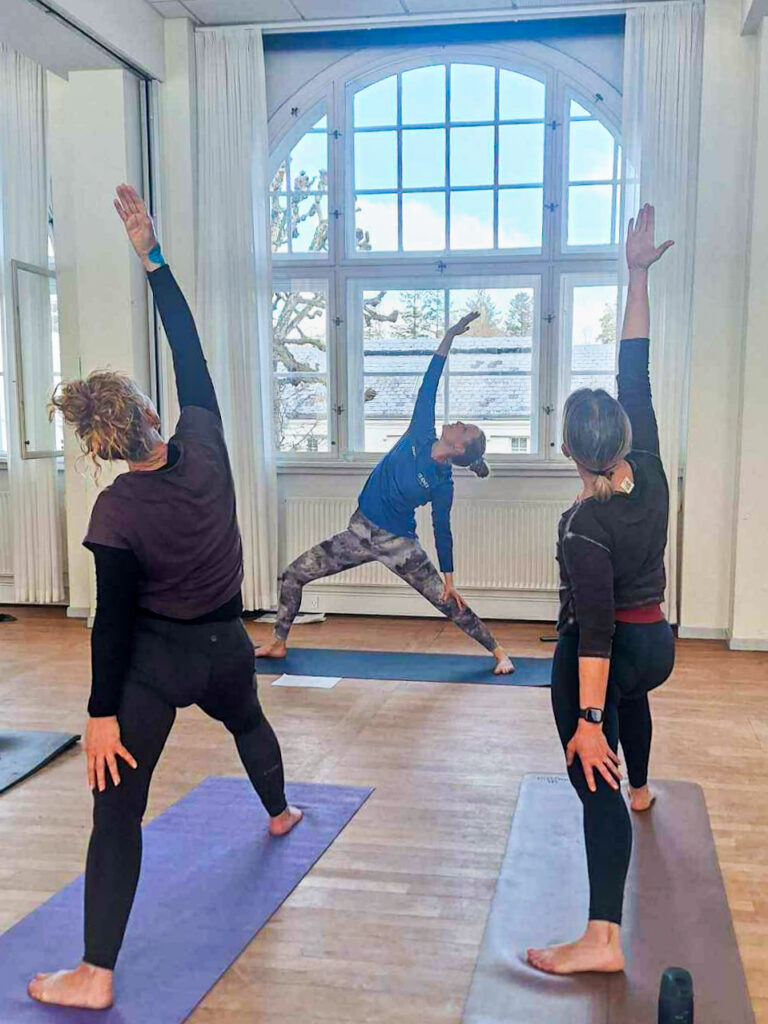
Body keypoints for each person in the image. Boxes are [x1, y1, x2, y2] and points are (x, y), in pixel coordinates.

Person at [28, 185, 301, 1010]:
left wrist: (99, 712)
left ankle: (95, 974)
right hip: (226, 650)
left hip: (152, 667)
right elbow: (191, 350)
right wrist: (152, 255)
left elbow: (110, 624)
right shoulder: (208, 442)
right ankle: (281, 813)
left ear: (99, 446)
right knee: (249, 721)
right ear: (151, 413)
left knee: (118, 811)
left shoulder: (117, 509)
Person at [527, 204, 676, 975]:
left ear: (564, 450)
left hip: (610, 652)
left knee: (595, 781)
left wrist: (587, 721)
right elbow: (636, 362)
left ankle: (602, 939)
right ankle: (643, 788)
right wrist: (637, 276)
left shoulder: (582, 524)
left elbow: (593, 633)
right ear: (620, 432)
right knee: (633, 701)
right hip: (659, 646)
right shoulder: (645, 461)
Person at [257, 314, 514, 675]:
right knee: (292, 575)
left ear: (459, 447)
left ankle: (499, 651)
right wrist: (448, 337)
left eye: (464, 427)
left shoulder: (442, 482)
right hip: (359, 533)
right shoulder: (420, 430)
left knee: (446, 601)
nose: (457, 422)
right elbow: (430, 383)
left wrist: (450, 580)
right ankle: (279, 642)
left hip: (399, 544)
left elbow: (443, 529)